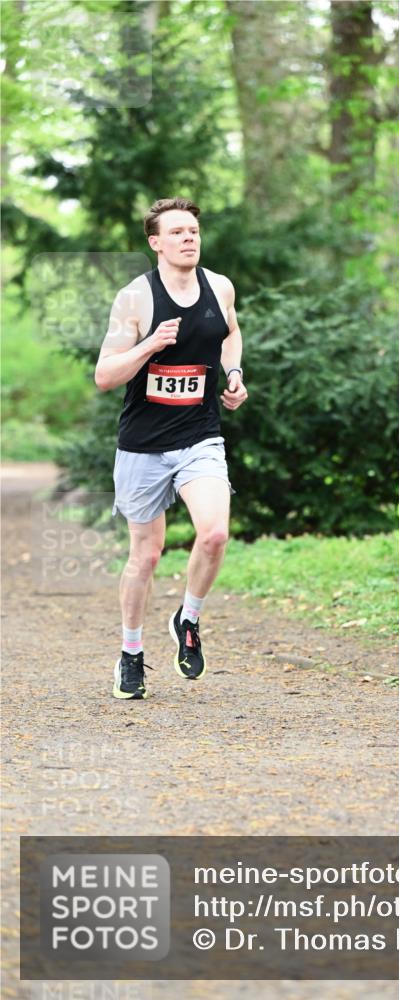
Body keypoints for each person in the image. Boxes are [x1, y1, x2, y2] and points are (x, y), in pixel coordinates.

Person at [95, 197, 248, 700]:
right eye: (178, 232)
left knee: (215, 534)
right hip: (142, 444)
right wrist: (149, 346)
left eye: (194, 231)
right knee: (146, 554)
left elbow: (230, 333)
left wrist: (234, 374)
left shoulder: (219, 287)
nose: (189, 238)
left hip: (199, 436)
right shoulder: (135, 299)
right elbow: (104, 376)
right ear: (155, 242)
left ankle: (188, 617)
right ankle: (131, 654)